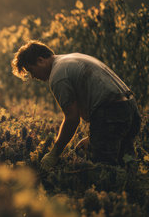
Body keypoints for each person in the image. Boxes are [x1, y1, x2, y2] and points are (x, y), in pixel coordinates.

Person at [11, 40, 141, 169]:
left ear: (40, 60)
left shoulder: (58, 76)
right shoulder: (72, 58)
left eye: (31, 70)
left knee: (104, 170)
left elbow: (72, 119)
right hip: (130, 108)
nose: (33, 76)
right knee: (127, 164)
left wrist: (54, 153)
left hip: (111, 113)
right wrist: (95, 136)